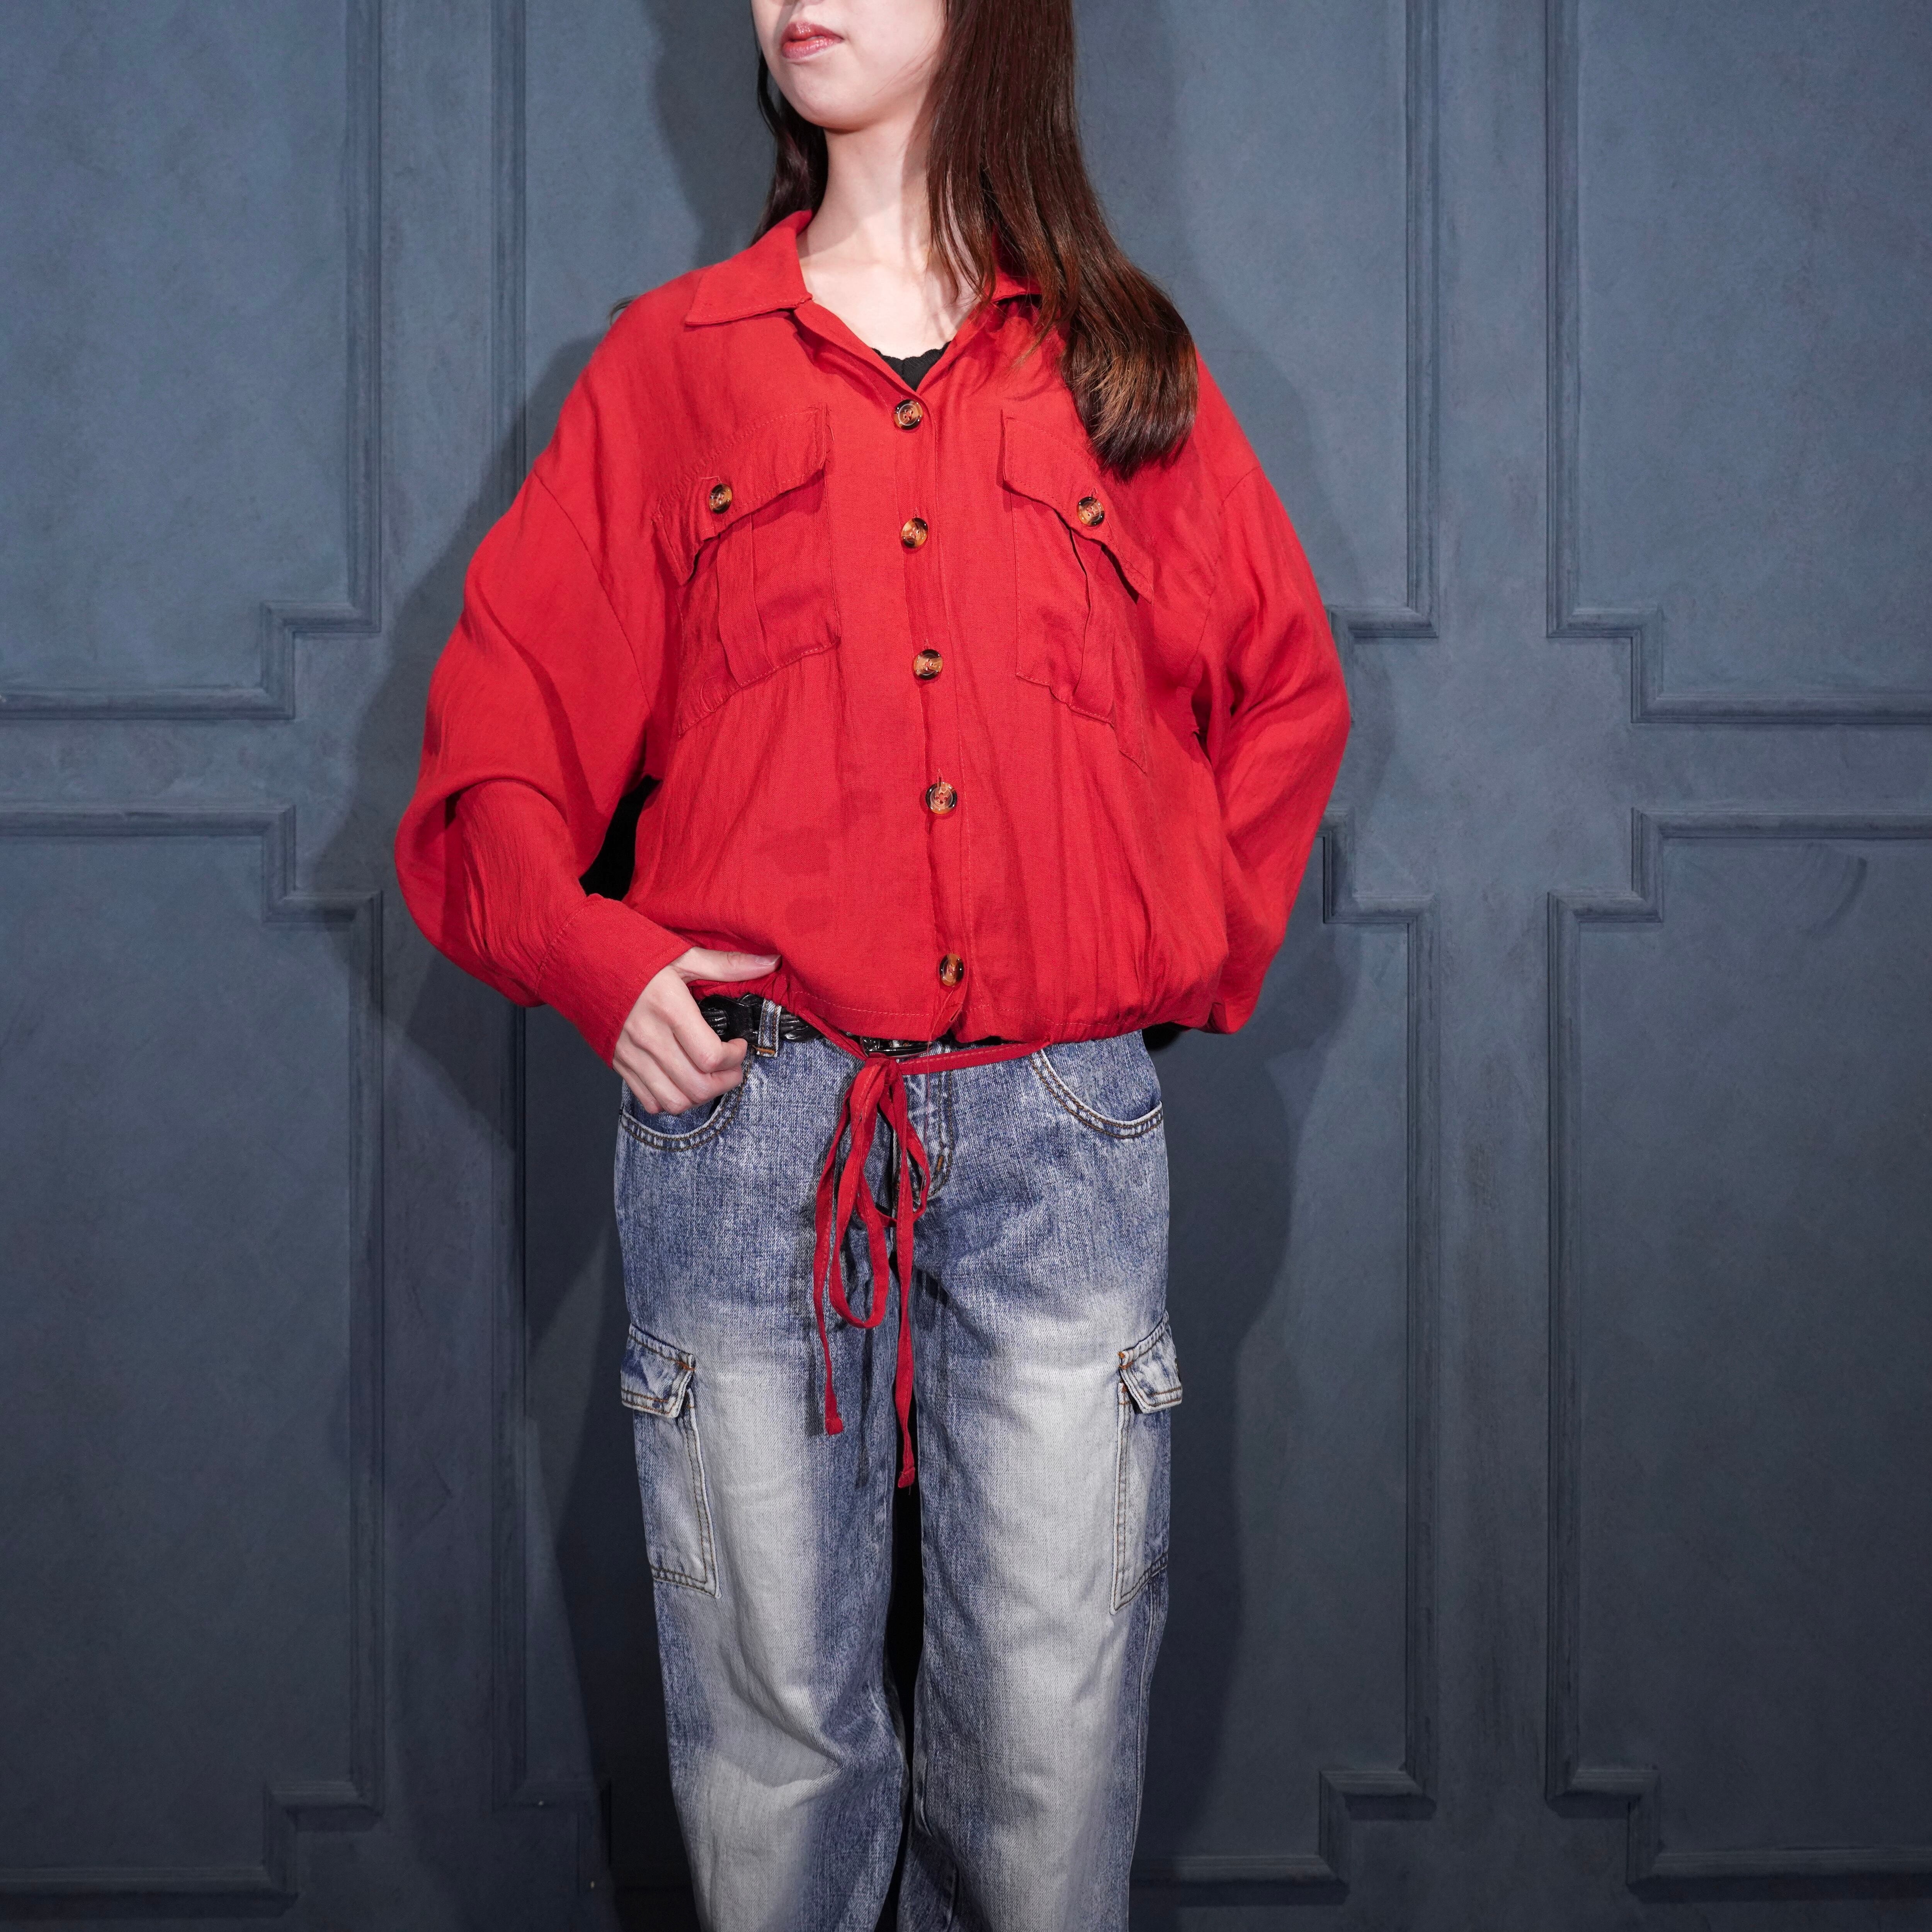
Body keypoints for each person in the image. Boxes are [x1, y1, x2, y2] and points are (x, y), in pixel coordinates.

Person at [393, 0, 1351, 1923]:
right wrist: (597, 959)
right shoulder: (672, 370)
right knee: (773, 1766)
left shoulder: (1117, 368)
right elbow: (496, 742)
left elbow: (1284, 692)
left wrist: (1155, 956)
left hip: (1058, 1148)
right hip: (750, 1135)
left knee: (1048, 1759)